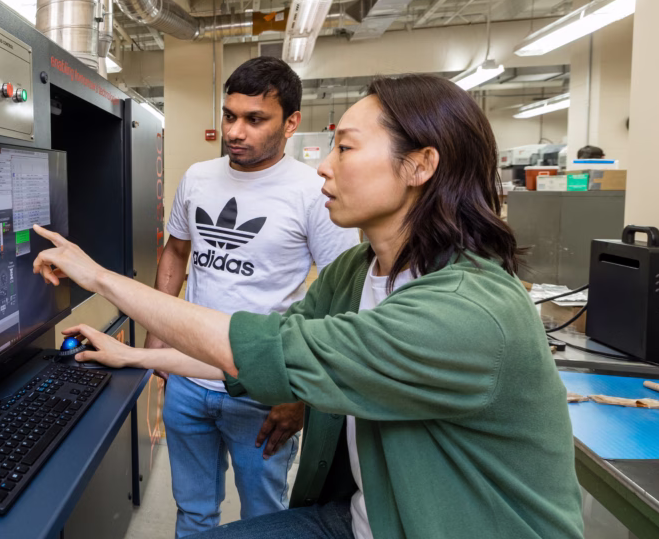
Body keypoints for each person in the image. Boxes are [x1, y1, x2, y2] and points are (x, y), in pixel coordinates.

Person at [31, 74, 584, 539]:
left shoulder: (465, 311)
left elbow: (272, 350)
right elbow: (253, 354)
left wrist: (99, 277)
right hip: (362, 517)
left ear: (420, 166)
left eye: (344, 148)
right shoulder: (357, 270)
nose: (324, 166)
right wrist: (135, 357)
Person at [145, 56, 359, 537]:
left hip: (264, 390)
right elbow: (176, 253)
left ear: (291, 123)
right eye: (229, 116)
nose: (235, 131)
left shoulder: (314, 193)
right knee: (193, 511)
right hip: (188, 378)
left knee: (263, 518)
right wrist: (158, 340)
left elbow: (340, 298)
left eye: (255, 119)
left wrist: (300, 395)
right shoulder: (198, 178)